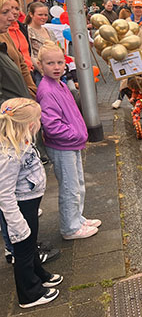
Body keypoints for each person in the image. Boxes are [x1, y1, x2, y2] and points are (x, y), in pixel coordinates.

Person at [0, 98, 63, 308]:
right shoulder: (9, 155)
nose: (40, 122)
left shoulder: (21, 143)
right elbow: (4, 194)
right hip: (20, 207)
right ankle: (30, 293)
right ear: (29, 125)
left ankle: (39, 274)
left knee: (31, 242)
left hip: (29, 202)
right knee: (24, 249)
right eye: (38, 119)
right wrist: (16, 224)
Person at [35, 42, 101, 240]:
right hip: (63, 145)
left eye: (59, 62)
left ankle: (77, 218)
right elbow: (52, 125)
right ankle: (70, 228)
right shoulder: (47, 91)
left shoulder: (59, 84)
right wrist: (76, 134)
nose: (56, 67)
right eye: (50, 63)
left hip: (70, 143)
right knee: (69, 187)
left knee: (77, 183)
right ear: (40, 65)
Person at [0, 0, 36, 98]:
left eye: (16, 9)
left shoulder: (7, 32)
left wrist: (32, 92)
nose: (11, 17)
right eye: (5, 12)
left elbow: (21, 62)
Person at [25, 2, 57, 86]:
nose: (44, 17)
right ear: (31, 14)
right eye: (40, 15)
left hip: (55, 69)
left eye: (45, 15)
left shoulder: (49, 31)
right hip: (39, 72)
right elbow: (30, 55)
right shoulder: (27, 31)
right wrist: (43, 71)